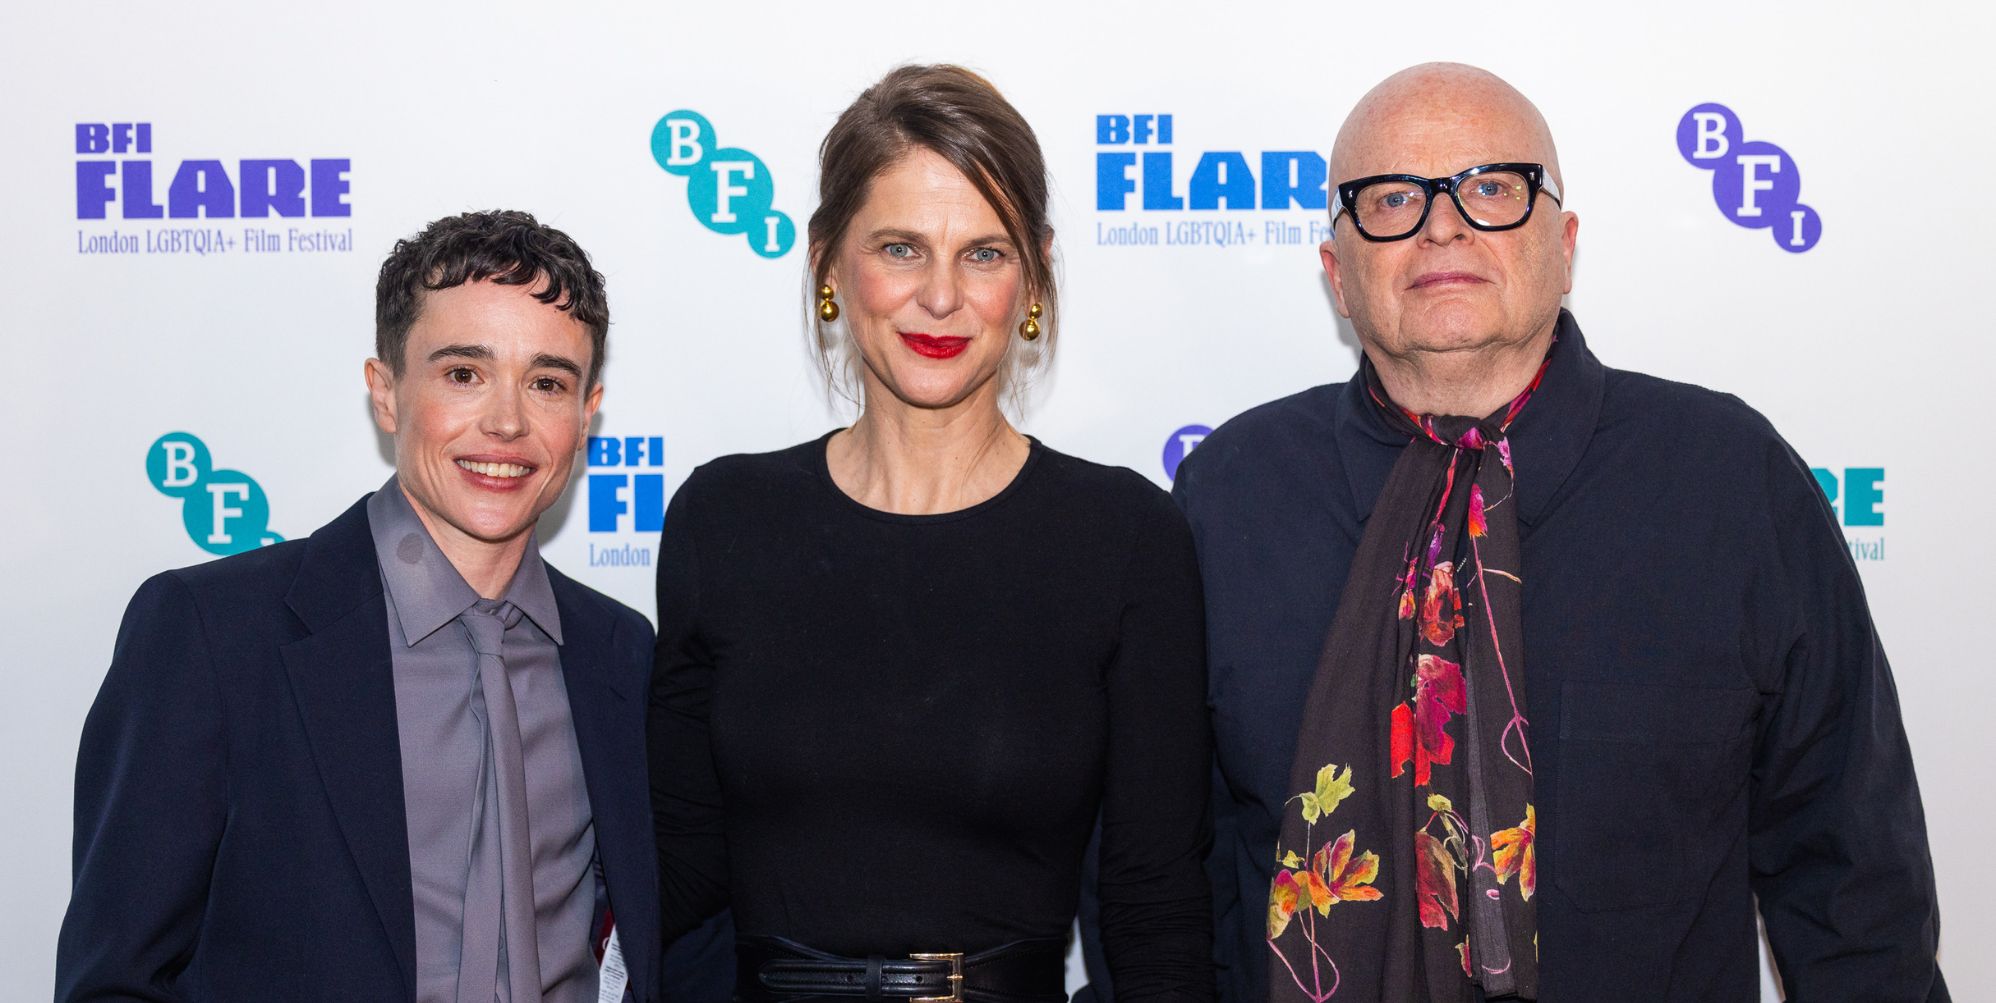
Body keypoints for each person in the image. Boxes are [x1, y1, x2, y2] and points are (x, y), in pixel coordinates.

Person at [1174, 64, 1947, 1001]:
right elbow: (1177, 888)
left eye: (1493, 187)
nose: (1443, 224)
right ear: (1338, 274)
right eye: (1389, 199)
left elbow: (1854, 893)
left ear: (1566, 245)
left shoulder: (1729, 483)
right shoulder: (1230, 497)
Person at [649, 64, 1214, 1002]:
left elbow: (1155, 907)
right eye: (902, 248)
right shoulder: (724, 520)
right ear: (830, 262)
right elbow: (673, 868)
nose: (942, 297)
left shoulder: (1124, 539)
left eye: (984, 253)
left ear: (1032, 274)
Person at [57, 210, 680, 1002]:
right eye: (464, 373)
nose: (508, 421)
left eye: (548, 382)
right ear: (386, 394)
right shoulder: (214, 634)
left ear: (587, 414)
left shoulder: (619, 653)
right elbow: (116, 980)